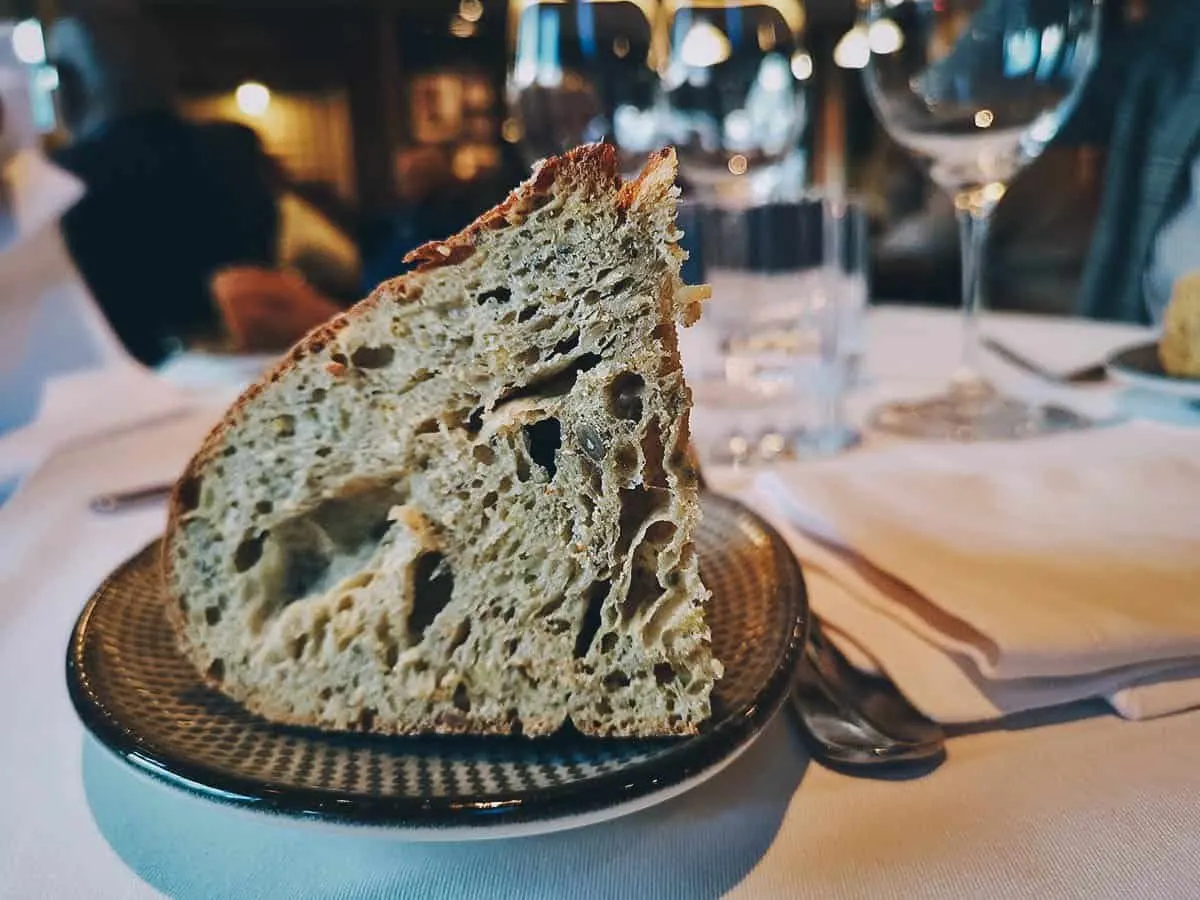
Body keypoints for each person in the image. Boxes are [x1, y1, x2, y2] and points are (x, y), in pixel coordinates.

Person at [47, 11, 282, 364]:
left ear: (71, 85)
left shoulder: (62, 179)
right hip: (257, 367)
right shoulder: (234, 146)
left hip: (123, 388)